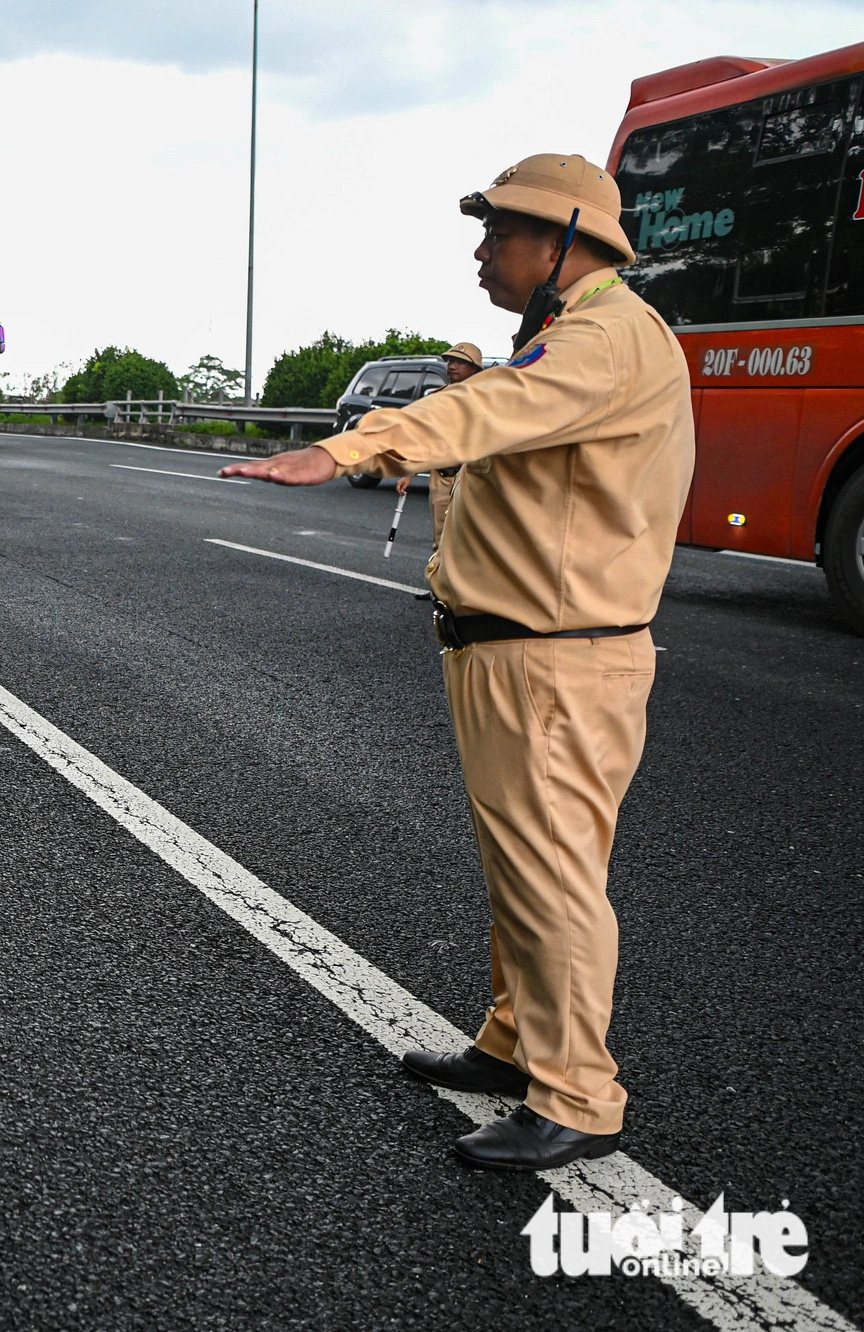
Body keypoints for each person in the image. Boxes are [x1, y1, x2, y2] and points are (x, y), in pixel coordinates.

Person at [222, 154, 694, 1172]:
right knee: (521, 868)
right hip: (517, 652)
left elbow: (488, 420)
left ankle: (576, 1094)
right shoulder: (567, 345)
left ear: (562, 244)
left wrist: (351, 446)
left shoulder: (605, 341)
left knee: (552, 874)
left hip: (554, 662)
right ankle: (516, 1044)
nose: (480, 252)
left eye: (500, 233)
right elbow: (509, 443)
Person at [397, 342, 484, 547]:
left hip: (475, 477)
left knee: (473, 540)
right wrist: (409, 473)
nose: (452, 365)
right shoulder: (438, 398)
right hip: (444, 478)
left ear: (474, 368)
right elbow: (426, 439)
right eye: (451, 361)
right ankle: (441, 578)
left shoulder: (486, 397)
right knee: (442, 539)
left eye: (460, 362)